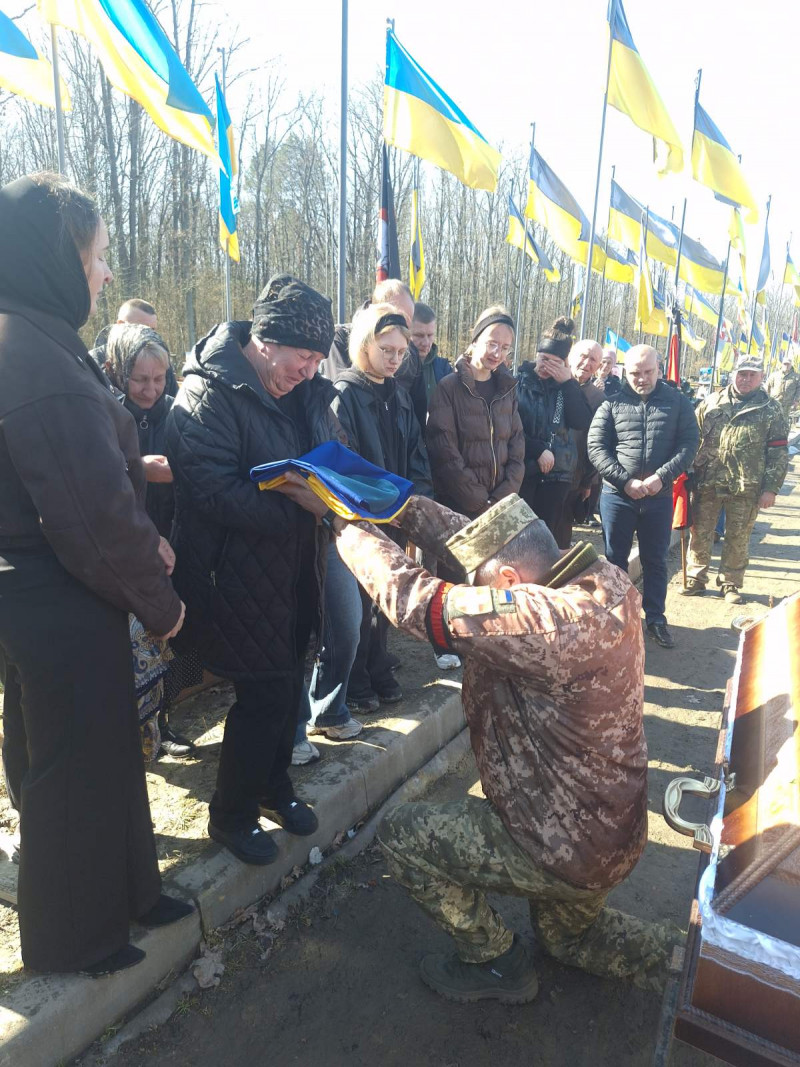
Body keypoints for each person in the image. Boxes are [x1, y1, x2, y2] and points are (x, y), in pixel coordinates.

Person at [279, 487, 678, 1002]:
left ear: (510, 581)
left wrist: (342, 523)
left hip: (560, 844)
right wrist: (383, 501)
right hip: (611, 835)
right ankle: (701, 965)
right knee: (568, 940)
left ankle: (495, 961)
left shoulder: (544, 621)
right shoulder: (602, 578)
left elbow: (413, 599)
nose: (475, 588)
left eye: (482, 583)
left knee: (403, 834)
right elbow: (481, 537)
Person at [0, 173, 191, 976]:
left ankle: (131, 892)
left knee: (106, 749)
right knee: (70, 768)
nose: (107, 273)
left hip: (55, 589)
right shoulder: (31, 355)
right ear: (55, 256)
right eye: (98, 255)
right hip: (56, 592)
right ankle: (75, 939)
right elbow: (91, 518)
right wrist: (163, 605)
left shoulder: (37, 332)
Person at [166, 274, 342, 866]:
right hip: (230, 573)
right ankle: (232, 814)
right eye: (303, 356)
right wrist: (296, 504)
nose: (311, 370)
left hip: (292, 567)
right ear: (266, 340)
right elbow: (207, 488)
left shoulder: (305, 391)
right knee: (263, 693)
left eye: (320, 359)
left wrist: (335, 492)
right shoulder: (209, 391)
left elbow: (322, 454)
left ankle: (274, 788)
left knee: (289, 678)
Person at [329, 304, 434, 713]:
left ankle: (378, 665)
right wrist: (376, 505)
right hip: (361, 515)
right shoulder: (345, 394)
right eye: (386, 349)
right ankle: (355, 677)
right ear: (364, 344)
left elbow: (417, 454)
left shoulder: (401, 396)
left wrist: (413, 500)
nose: (394, 358)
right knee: (357, 601)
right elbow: (345, 459)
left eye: (400, 351)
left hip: (396, 512)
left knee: (383, 595)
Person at [105, 323, 198, 758]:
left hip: (172, 534)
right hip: (128, 541)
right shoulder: (105, 411)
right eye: (140, 379)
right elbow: (98, 479)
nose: (150, 389)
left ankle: (164, 722)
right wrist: (137, 467)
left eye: (159, 379)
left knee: (171, 641)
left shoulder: (174, 411)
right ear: (120, 373)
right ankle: (132, 734)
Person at [587, 344, 699, 649]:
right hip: (618, 497)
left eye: (648, 371)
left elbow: (689, 444)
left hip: (658, 497)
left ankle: (656, 619)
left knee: (655, 560)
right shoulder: (611, 405)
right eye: (635, 372)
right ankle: (616, 616)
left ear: (659, 369)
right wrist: (624, 482)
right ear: (625, 372)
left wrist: (661, 477)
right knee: (614, 561)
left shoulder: (678, 403)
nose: (642, 378)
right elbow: (596, 448)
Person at [682, 354, 789, 604]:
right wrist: (686, 472)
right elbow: (692, 439)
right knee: (701, 532)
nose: (746, 379)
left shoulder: (771, 410)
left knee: (738, 536)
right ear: (733, 374)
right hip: (707, 481)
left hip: (746, 486)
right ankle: (696, 578)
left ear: (761, 377)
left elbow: (778, 452)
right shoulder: (711, 403)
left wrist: (771, 488)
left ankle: (730, 583)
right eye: (742, 373)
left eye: (752, 375)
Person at [426, 306, 525, 522]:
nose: (497, 353)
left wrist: (501, 500)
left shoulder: (507, 390)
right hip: (459, 508)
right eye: (492, 344)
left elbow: (517, 449)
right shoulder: (448, 388)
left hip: (499, 510)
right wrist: (480, 503)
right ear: (475, 341)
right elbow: (445, 453)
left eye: (505, 347)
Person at [516, 319, 594, 548]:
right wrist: (537, 449)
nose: (547, 366)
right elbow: (510, 428)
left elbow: (581, 421)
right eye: (544, 359)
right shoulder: (518, 383)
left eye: (555, 362)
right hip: (524, 469)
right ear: (536, 355)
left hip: (558, 475)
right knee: (520, 538)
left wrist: (568, 383)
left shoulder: (567, 386)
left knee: (547, 540)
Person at [91, 298, 178, 396]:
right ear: (120, 325)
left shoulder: (161, 360)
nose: (147, 336)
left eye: (152, 330)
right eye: (139, 328)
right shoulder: (94, 362)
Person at [563, 339, 605, 542]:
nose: (587, 363)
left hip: (574, 478)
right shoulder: (553, 384)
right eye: (583, 356)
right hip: (541, 472)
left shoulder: (599, 399)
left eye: (593, 360)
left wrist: (588, 481)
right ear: (571, 356)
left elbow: (597, 443)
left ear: (598, 366)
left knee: (562, 535)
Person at [398, 301, 452, 431]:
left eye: (430, 335)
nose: (426, 342)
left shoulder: (444, 369)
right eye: (419, 335)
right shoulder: (394, 367)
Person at [766, 357, 800, 423]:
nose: (786, 366)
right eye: (785, 364)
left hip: (787, 404)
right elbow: (767, 387)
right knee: (771, 421)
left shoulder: (797, 377)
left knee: (783, 422)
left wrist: (796, 400)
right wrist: (766, 399)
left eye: (788, 364)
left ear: (791, 365)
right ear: (782, 364)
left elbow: (799, 390)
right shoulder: (774, 375)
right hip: (774, 402)